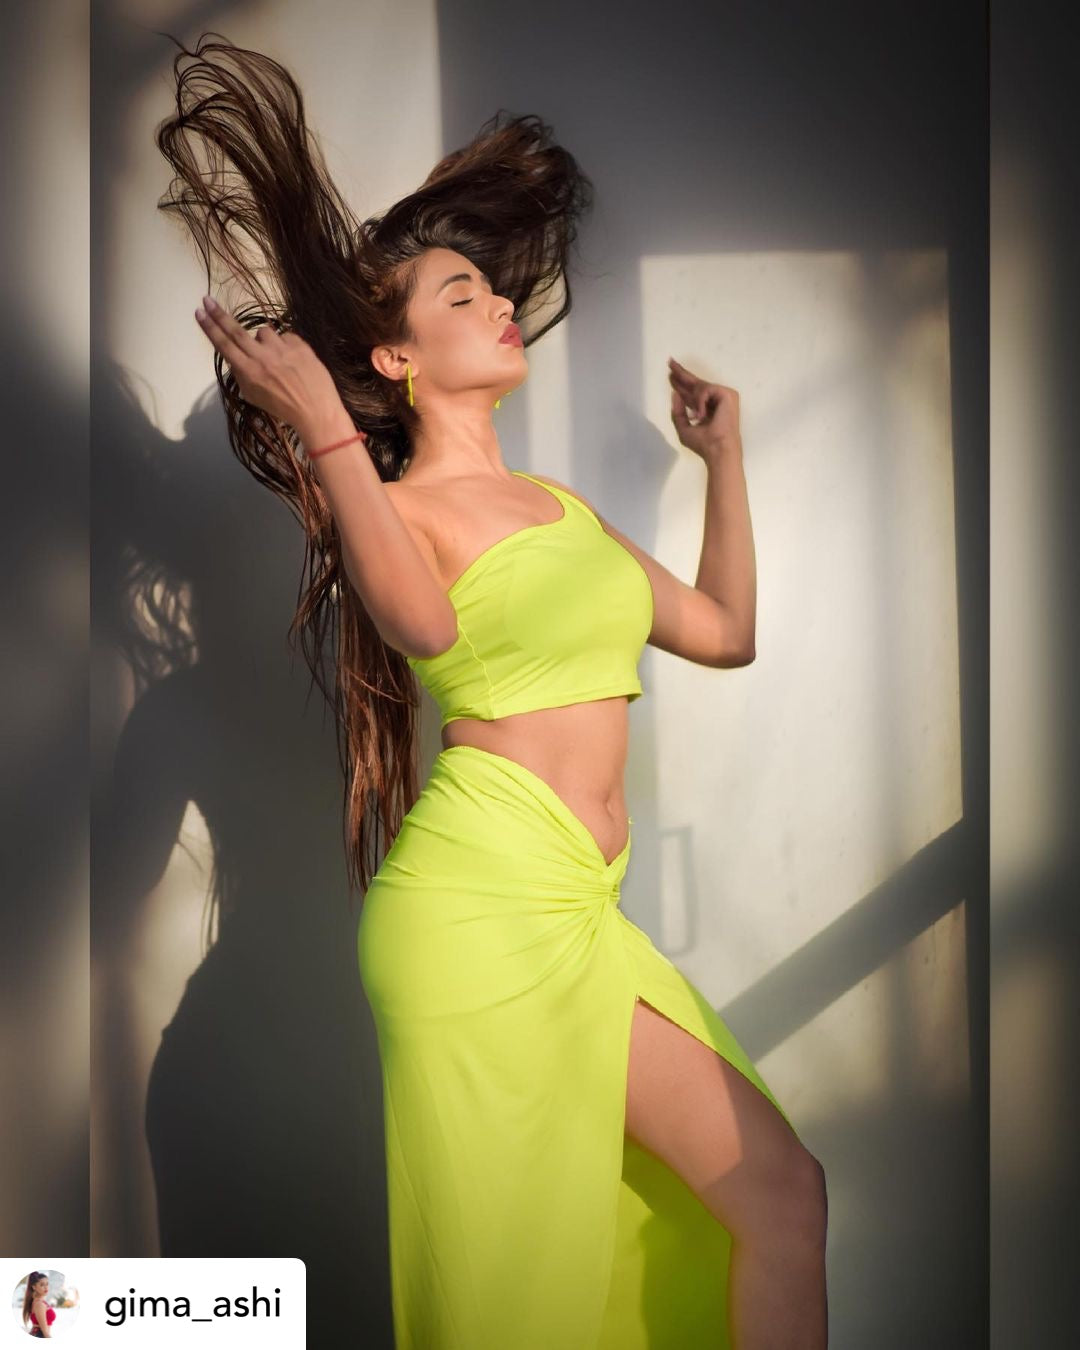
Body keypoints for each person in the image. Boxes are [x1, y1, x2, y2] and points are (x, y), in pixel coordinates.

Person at [160, 31, 828, 1349]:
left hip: (581, 914)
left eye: (492, 288)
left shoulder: (563, 510)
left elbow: (725, 631)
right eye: (459, 295)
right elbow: (417, 621)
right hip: (478, 913)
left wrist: (726, 462)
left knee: (781, 1197)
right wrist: (324, 428)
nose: (497, 304)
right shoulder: (397, 504)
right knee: (519, 1299)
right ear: (397, 358)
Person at [22, 1272, 55, 1338]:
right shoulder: (39, 1304)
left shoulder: (39, 1301)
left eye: (47, 1284)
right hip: (40, 1335)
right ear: (34, 1287)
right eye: (42, 1285)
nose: (46, 1287)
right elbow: (45, 1332)